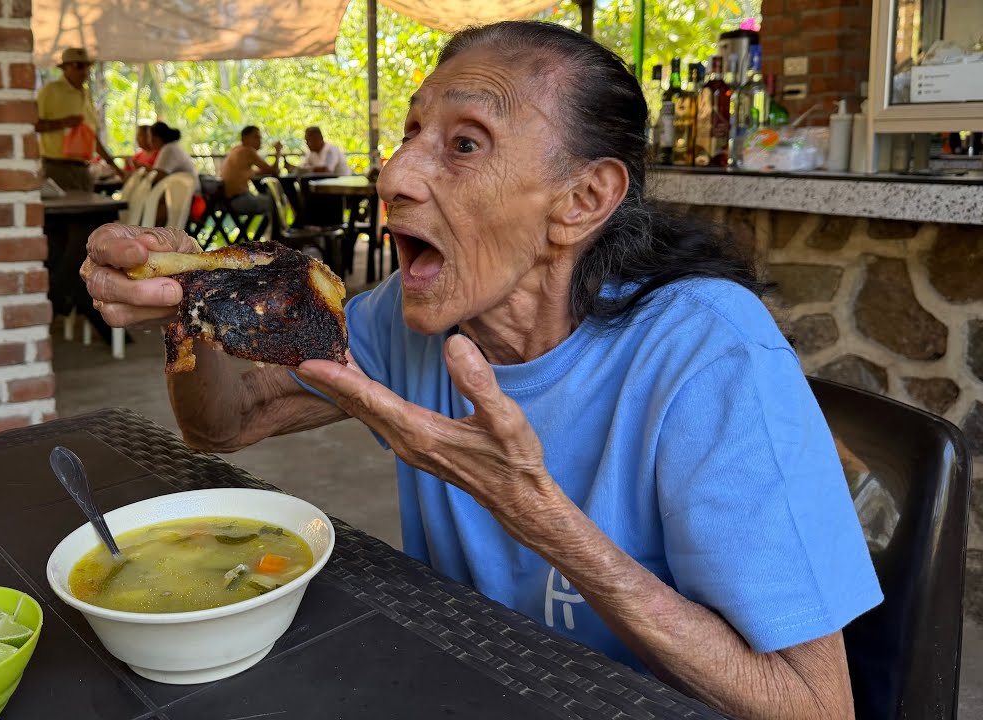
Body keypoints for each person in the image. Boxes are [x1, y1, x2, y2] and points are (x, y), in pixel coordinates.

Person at [81, 21, 880, 719]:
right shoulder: (407, 313)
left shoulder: (706, 352)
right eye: (412, 132)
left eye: (464, 144)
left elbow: (812, 706)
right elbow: (225, 423)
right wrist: (189, 300)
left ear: (582, 199)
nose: (395, 174)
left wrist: (535, 513)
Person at [34, 48, 119, 192]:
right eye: (78, 66)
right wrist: (63, 123)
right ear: (66, 68)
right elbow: (34, 125)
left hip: (83, 169)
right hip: (57, 167)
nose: (84, 71)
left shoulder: (85, 94)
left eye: (87, 66)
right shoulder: (50, 90)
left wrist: (114, 166)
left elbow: (92, 136)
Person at [218, 126, 281, 217]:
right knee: (276, 201)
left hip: (225, 202)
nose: (260, 140)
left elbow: (256, 172)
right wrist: (278, 152)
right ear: (245, 138)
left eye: (260, 137)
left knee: (269, 199)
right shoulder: (248, 151)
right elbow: (274, 171)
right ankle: (276, 231)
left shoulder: (236, 150)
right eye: (256, 137)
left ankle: (268, 230)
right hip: (238, 201)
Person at [147, 122, 198, 193]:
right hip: (185, 191)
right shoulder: (171, 147)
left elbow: (158, 177)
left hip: (188, 196)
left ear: (155, 138)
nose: (149, 141)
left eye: (149, 137)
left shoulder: (169, 149)